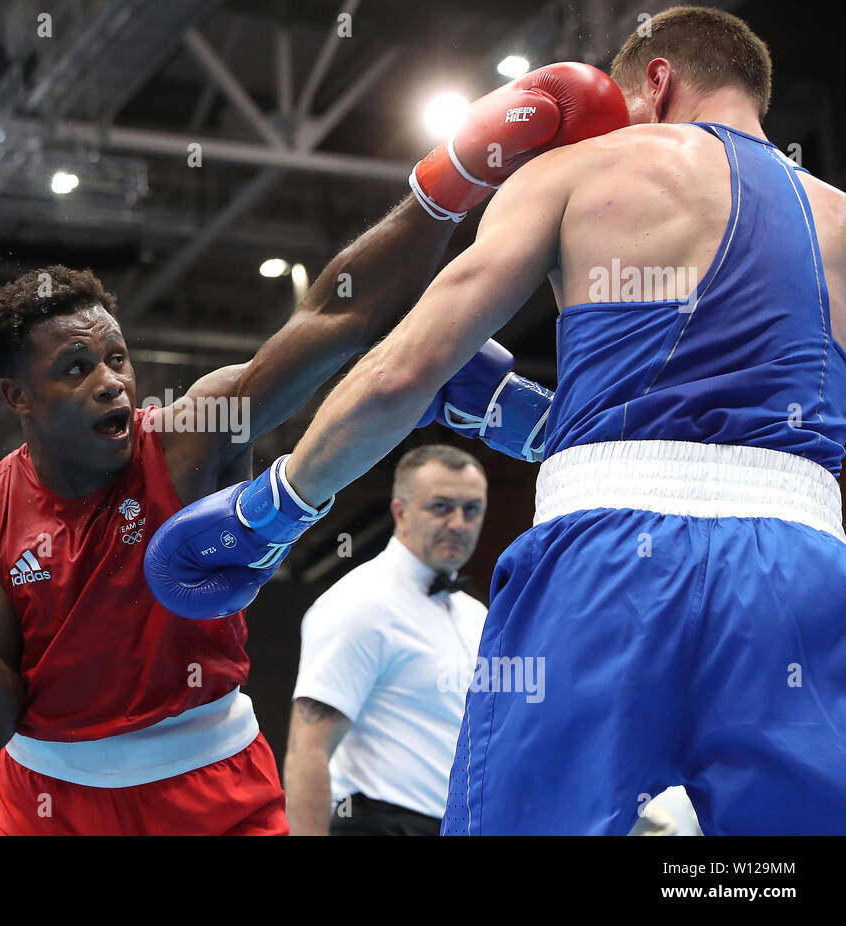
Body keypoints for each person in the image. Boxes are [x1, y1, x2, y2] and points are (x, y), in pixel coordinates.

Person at [0, 61, 628, 836]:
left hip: (212, 794)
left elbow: (330, 317)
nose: (112, 383)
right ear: (18, 397)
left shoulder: (187, 435)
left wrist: (448, 180)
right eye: (75, 369)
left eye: (117, 359)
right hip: (50, 806)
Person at [147, 6, 846, 835]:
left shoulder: (586, 168)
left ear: (655, 83)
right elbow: (724, 423)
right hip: (805, 573)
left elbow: (402, 370)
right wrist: (553, 428)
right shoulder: (838, 216)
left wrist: (275, 504)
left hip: (608, 563)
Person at [285, 446, 489, 836]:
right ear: (400, 512)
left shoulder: (473, 613)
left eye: (472, 509)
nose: (458, 523)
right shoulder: (361, 603)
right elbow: (307, 752)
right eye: (441, 507)